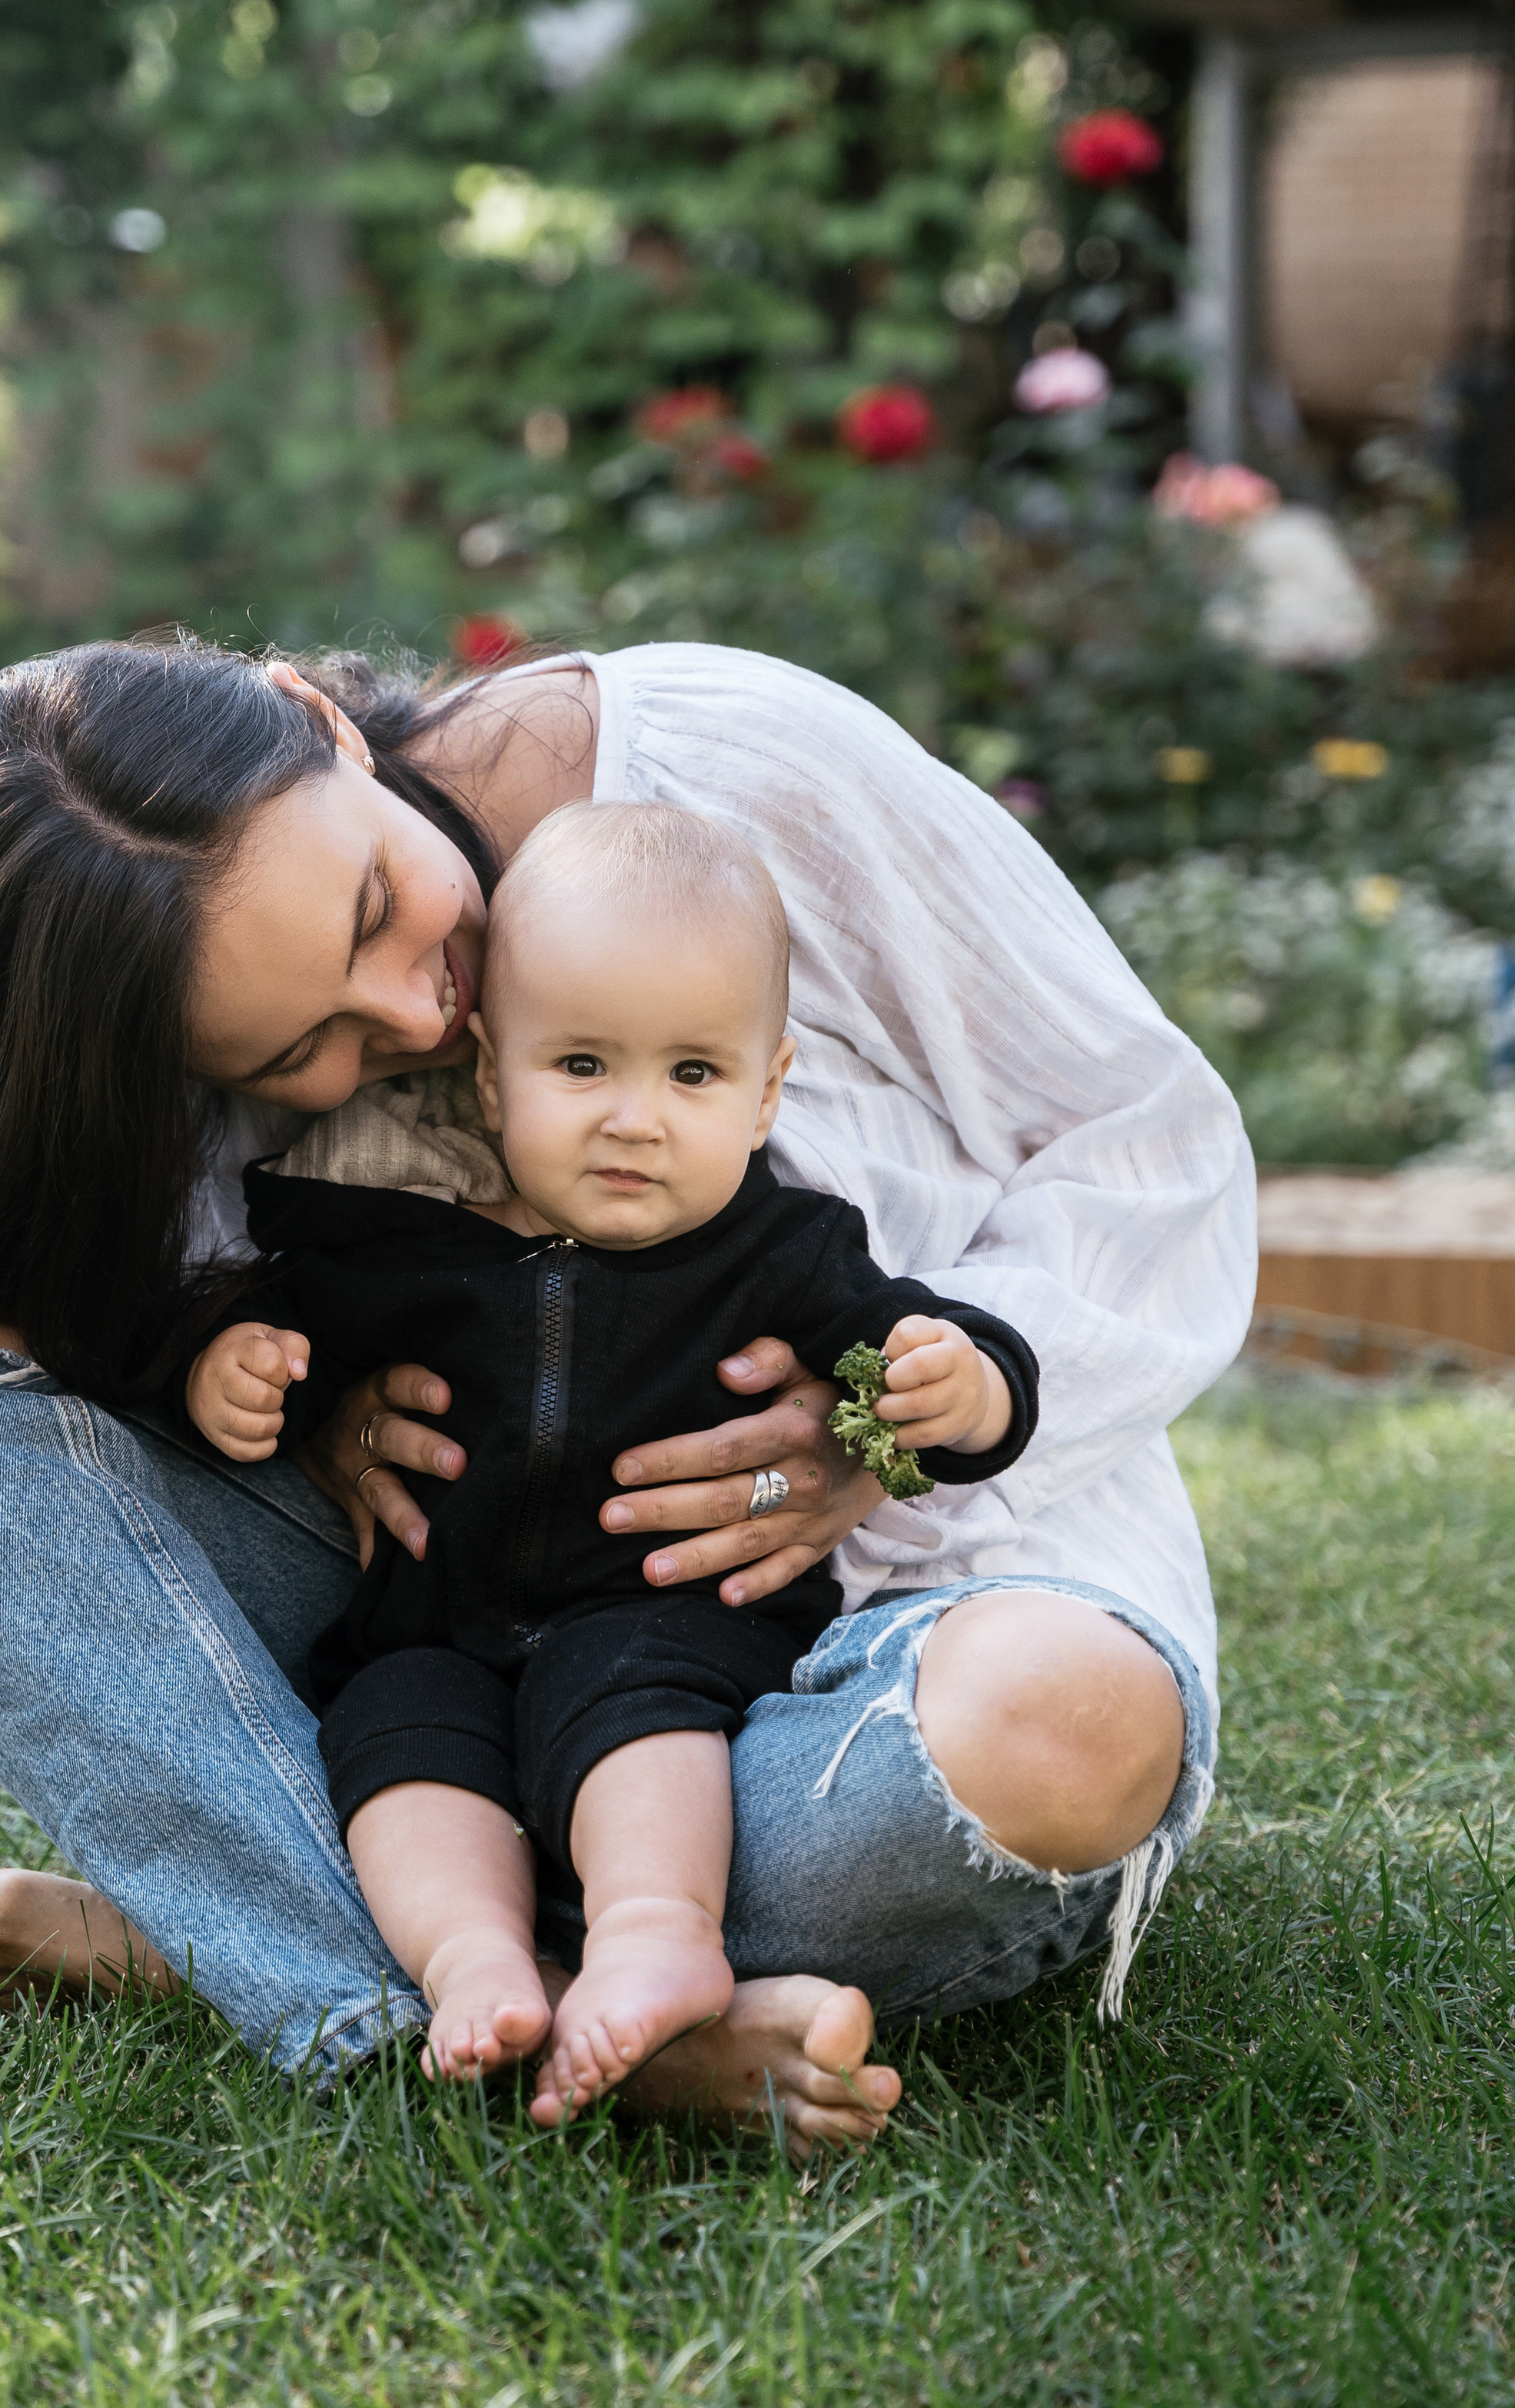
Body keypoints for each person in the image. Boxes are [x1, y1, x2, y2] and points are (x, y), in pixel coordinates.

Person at [0, 638, 1246, 2157]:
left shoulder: (734, 763)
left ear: (314, 717)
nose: (409, 1016)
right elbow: (148, 1356)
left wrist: (881, 1434)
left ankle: (242, 1921)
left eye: (371, 907)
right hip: (433, 1650)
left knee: (1066, 1728)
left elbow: (1149, 1143)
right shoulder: (165, 1037)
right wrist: (292, 1406)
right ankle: (542, 2005)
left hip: (849, 1654)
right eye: (301, 1049)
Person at [184, 803, 1039, 2116]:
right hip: (435, 1627)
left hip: (668, 1621)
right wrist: (232, 1366)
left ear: (766, 1091)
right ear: (491, 1079)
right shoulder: (397, 1248)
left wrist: (964, 1386)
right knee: (397, 1737)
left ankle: (654, 1934)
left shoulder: (784, 1256)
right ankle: (476, 1963)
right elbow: (274, 1328)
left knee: (633, 1704)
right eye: (582, 1065)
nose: (636, 1120)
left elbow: (934, 1375)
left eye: (693, 1074)